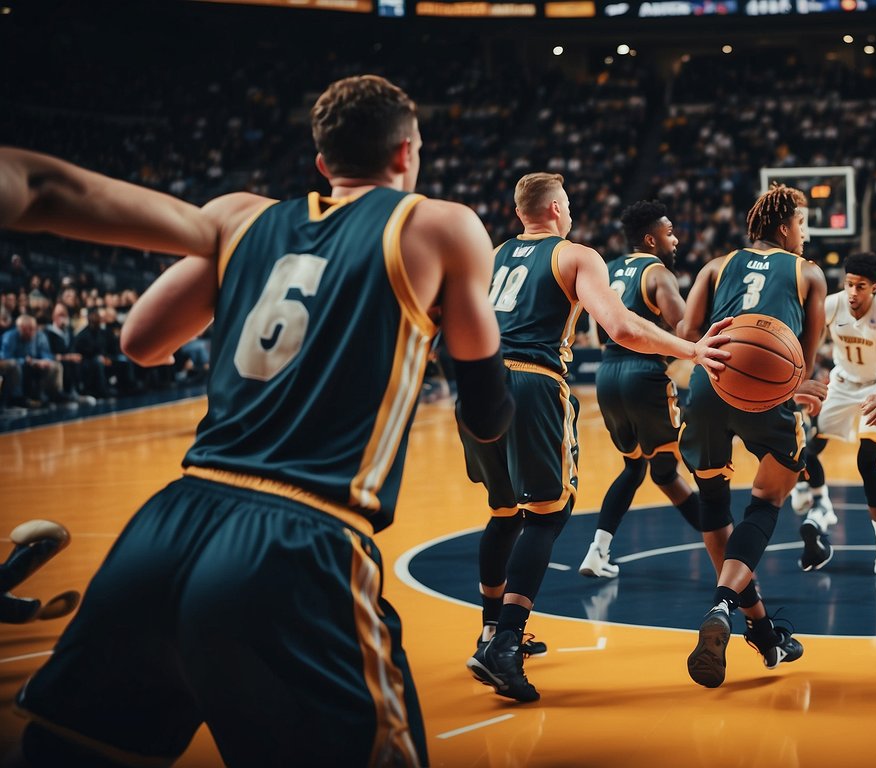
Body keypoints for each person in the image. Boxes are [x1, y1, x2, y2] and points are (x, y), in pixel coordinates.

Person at [8, 75, 516, 767]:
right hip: (297, 540)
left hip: (166, 526)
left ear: (321, 163)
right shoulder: (440, 224)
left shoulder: (239, 215)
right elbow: (486, 415)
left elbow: (141, 342)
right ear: (405, 154)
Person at [461, 174, 728, 703]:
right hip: (534, 382)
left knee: (502, 512)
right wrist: (691, 350)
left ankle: (490, 632)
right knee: (546, 514)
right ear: (558, 208)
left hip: (479, 382)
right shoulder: (576, 256)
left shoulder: (493, 254)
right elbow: (621, 326)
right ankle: (507, 644)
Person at [677, 183, 828, 688]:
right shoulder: (808, 273)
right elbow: (804, 361)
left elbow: (685, 329)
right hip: (768, 397)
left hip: (709, 382)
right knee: (764, 504)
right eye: (803, 225)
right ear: (785, 227)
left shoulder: (715, 267)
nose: (805, 235)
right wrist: (796, 381)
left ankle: (761, 631)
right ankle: (723, 606)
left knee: (714, 504)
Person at [577, 200, 703, 579]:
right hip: (644, 373)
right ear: (651, 239)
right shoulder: (658, 272)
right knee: (701, 456)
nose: (675, 239)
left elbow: (598, 329)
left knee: (643, 467)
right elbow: (684, 328)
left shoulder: (608, 269)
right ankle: (726, 541)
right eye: (669, 233)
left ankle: (597, 550)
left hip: (607, 374)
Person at [789, 251, 876, 573]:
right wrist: (801, 382)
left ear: (874, 287)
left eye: (860, 287)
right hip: (842, 383)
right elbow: (808, 343)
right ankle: (822, 502)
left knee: (867, 463)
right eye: (848, 285)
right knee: (807, 448)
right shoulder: (832, 305)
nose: (853, 293)